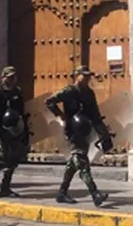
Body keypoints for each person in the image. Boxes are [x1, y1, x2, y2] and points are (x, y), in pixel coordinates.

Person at [45, 65, 112, 207]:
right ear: (77, 75)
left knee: (73, 163)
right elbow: (49, 101)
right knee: (82, 162)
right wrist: (62, 116)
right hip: (72, 131)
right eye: (84, 75)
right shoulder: (68, 91)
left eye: (89, 76)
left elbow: (95, 114)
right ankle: (95, 193)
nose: (87, 78)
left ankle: (62, 193)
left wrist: (104, 133)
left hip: (85, 130)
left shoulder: (89, 93)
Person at [0, 66, 30, 198]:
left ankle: (5, 187)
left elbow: (21, 111)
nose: (12, 79)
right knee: (3, 157)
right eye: (9, 77)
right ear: (3, 77)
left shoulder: (17, 92)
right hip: (1, 128)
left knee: (14, 159)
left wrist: (24, 129)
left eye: (13, 77)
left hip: (15, 128)